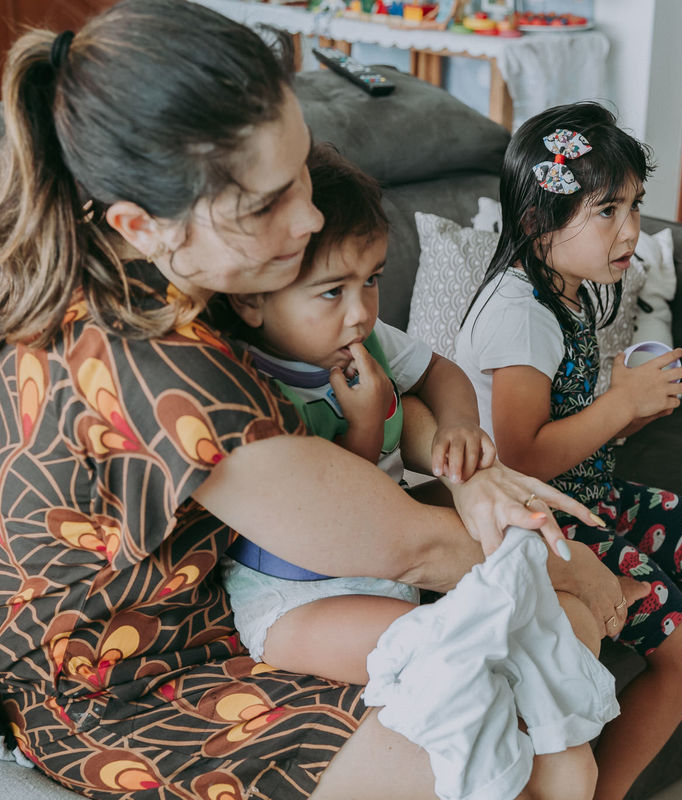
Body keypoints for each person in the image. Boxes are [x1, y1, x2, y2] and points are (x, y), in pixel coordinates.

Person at [0, 3, 636, 798]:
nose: (308, 217)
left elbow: (387, 409)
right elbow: (404, 544)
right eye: (265, 204)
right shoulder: (146, 363)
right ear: (144, 224)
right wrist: (570, 562)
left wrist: (467, 465)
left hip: (216, 610)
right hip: (123, 689)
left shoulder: (165, 272)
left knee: (549, 737)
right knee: (509, 749)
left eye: (300, 170)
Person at [454, 101, 682, 800]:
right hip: (544, 519)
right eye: (607, 212)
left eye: (635, 207)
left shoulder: (569, 289)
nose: (631, 231)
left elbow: (569, 429)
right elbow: (521, 458)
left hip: (590, 493)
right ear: (537, 223)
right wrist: (617, 405)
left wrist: (624, 415)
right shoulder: (518, 313)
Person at [222, 142, 529, 684]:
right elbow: (331, 510)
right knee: (444, 653)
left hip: (391, 551)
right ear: (252, 299)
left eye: (371, 280)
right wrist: (365, 422)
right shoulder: (250, 387)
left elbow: (440, 371)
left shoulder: (365, 338)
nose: (360, 312)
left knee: (520, 531)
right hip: (301, 594)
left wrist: (460, 424)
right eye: (331, 291)